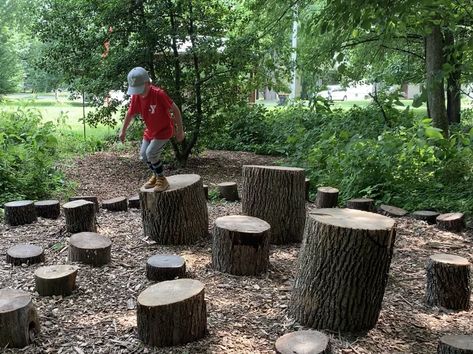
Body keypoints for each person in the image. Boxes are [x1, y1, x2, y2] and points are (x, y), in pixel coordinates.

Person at [119, 67, 185, 192]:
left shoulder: (158, 94)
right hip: (150, 132)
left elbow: (175, 109)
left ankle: (162, 179)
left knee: (151, 153)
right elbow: (130, 112)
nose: (137, 92)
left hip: (164, 130)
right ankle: (156, 175)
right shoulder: (136, 96)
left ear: (147, 83)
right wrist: (123, 131)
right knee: (144, 155)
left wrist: (180, 130)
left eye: (139, 89)